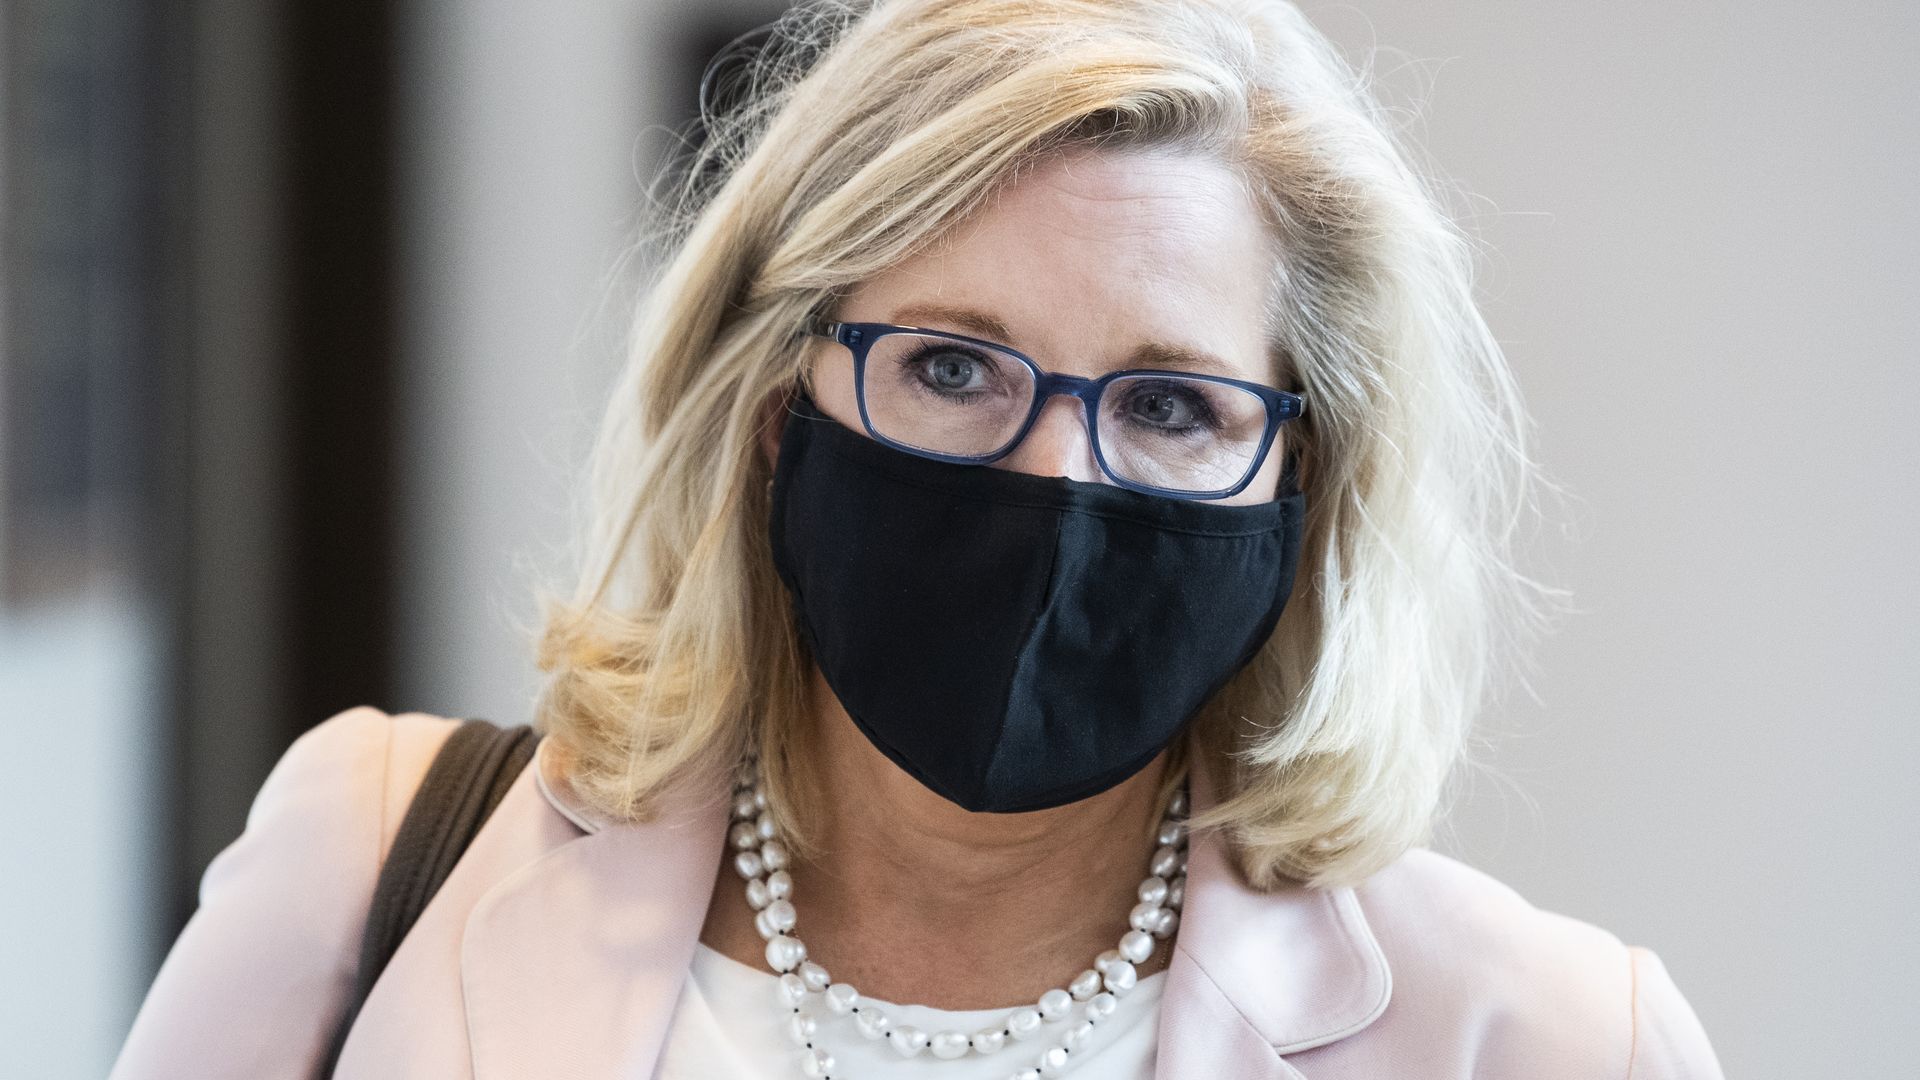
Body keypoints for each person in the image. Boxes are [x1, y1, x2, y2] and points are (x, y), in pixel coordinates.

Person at [110, 1, 1726, 1077]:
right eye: (953, 370)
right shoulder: (376, 863)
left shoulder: (1552, 1040)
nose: (1057, 478)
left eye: (1172, 405)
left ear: (1304, 485)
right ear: (770, 404)